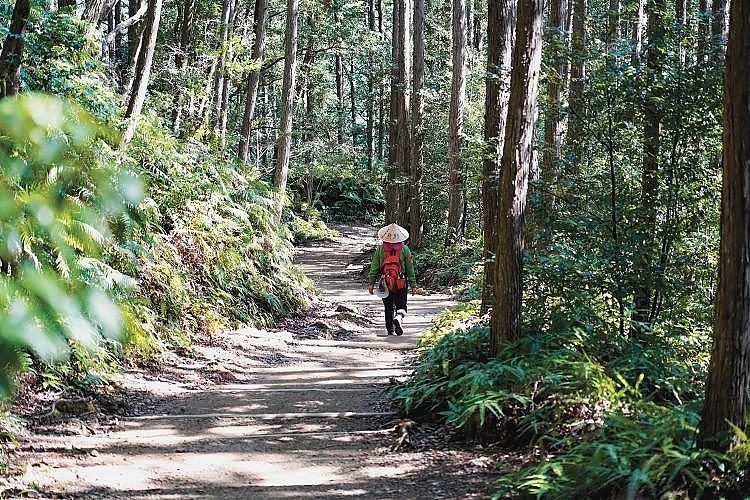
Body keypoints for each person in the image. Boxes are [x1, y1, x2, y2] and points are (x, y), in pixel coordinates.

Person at [367, 223, 416, 336]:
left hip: (385, 282)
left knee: (388, 307)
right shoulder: (405, 249)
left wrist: (371, 283)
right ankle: (399, 317)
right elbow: (410, 268)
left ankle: (390, 330)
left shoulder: (380, 249)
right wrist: (413, 285)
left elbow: (374, 267)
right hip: (401, 282)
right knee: (402, 306)